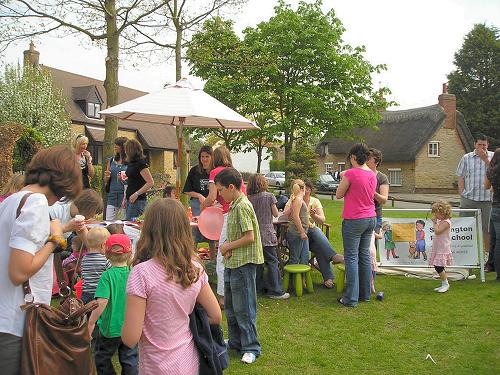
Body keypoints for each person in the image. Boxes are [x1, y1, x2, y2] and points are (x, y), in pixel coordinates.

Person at [0, 145, 82, 374]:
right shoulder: (35, 203)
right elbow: (18, 272)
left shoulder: (11, 201)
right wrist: (55, 240)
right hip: (18, 324)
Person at [122, 198, 221, 375]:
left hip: (156, 367)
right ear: (184, 229)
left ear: (149, 229)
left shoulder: (141, 273)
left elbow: (130, 338)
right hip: (189, 363)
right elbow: (215, 315)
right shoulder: (195, 268)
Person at [215, 168, 264, 364]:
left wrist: (228, 246)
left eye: (220, 190)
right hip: (233, 262)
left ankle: (251, 347)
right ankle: (235, 342)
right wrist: (228, 250)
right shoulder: (234, 204)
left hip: (244, 265)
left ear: (231, 187)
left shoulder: (243, 206)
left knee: (244, 308)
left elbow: (249, 236)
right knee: (232, 307)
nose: (219, 194)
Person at [200, 146, 246, 308]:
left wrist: (203, 208)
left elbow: (212, 197)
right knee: (234, 255)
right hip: (240, 213)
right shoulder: (234, 172)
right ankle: (234, 293)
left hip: (229, 215)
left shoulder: (215, 173)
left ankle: (223, 297)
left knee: (222, 255)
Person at [88, 234, 138, 375]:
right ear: (130, 254)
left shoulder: (107, 276)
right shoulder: (133, 274)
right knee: (130, 358)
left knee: (102, 357)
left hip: (110, 328)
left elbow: (102, 301)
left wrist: (91, 323)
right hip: (129, 327)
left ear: (106, 253)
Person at [336, 143, 376, 307]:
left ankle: (350, 298)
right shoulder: (373, 175)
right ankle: (364, 294)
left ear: (353, 157)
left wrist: (345, 175)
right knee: (364, 256)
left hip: (354, 219)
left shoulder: (351, 174)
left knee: (351, 257)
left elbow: (339, 194)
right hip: (370, 218)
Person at [247, 173, 289, 300]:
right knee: (272, 261)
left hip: (255, 234)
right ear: (262, 183)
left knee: (258, 262)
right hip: (267, 233)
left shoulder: (249, 198)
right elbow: (275, 213)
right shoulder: (269, 196)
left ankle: (258, 287)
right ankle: (275, 290)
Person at [456, 134, 493, 258]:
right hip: (469, 198)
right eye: (479, 144)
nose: (482, 147)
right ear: (474, 145)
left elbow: (495, 173)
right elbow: (461, 176)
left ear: (487, 145)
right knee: (464, 227)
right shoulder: (467, 158)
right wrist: (462, 193)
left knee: (487, 230)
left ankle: (487, 256)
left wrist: (486, 160)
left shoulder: (493, 157)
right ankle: (464, 255)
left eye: (484, 145)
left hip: (487, 199)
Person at [302, 180, 344, 289]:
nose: (304, 190)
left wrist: (314, 216)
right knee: (313, 231)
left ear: (310, 190)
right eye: (302, 188)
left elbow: (322, 220)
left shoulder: (315, 201)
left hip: (313, 238)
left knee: (315, 233)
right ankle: (333, 257)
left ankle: (328, 278)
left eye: (306, 188)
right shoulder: (296, 200)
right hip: (300, 236)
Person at [183, 145, 215, 256]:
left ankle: (213, 258)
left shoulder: (215, 171)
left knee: (212, 231)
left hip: (213, 206)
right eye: (202, 156)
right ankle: (193, 257)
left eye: (207, 156)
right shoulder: (194, 171)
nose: (204, 159)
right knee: (196, 230)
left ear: (212, 157)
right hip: (197, 204)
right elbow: (187, 190)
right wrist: (199, 196)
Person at [123, 139, 154, 221]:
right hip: (130, 198)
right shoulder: (130, 163)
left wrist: (136, 194)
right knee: (127, 222)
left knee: (131, 225)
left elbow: (150, 182)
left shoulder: (141, 164)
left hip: (138, 200)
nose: (125, 152)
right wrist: (125, 198)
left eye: (126, 149)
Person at [80, 227, 111, 304]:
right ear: (103, 245)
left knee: (87, 312)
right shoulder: (105, 260)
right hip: (100, 293)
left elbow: (83, 275)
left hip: (85, 293)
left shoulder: (84, 259)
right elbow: (111, 274)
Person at [429, 201, 454, 293]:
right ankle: (444, 283)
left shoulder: (446, 222)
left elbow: (438, 231)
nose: (435, 215)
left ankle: (445, 283)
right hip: (438, 246)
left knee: (438, 266)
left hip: (443, 247)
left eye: (436, 213)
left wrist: (435, 223)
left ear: (442, 213)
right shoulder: (441, 221)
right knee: (438, 266)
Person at [485, 148, 500, 280]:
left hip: (495, 207)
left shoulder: (490, 171)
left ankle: (492, 266)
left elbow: (486, 186)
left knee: (494, 240)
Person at [286, 179, 309, 266]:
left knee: (303, 257)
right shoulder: (298, 200)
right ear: (303, 188)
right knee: (294, 258)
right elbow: (295, 217)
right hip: (297, 233)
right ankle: (292, 278)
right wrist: (302, 232)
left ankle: (301, 278)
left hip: (300, 233)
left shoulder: (296, 199)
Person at [104, 137, 128, 221]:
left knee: (123, 222)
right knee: (108, 221)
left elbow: (131, 179)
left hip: (124, 195)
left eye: (117, 144)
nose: (115, 146)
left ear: (123, 147)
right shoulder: (111, 160)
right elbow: (106, 181)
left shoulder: (130, 162)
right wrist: (106, 177)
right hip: (112, 194)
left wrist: (124, 178)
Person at [367, 148, 389, 233]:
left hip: (375, 215)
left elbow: (384, 200)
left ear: (377, 162)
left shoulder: (382, 177)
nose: (366, 161)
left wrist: (373, 192)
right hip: (360, 216)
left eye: (369, 159)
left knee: (372, 243)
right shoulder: (359, 174)